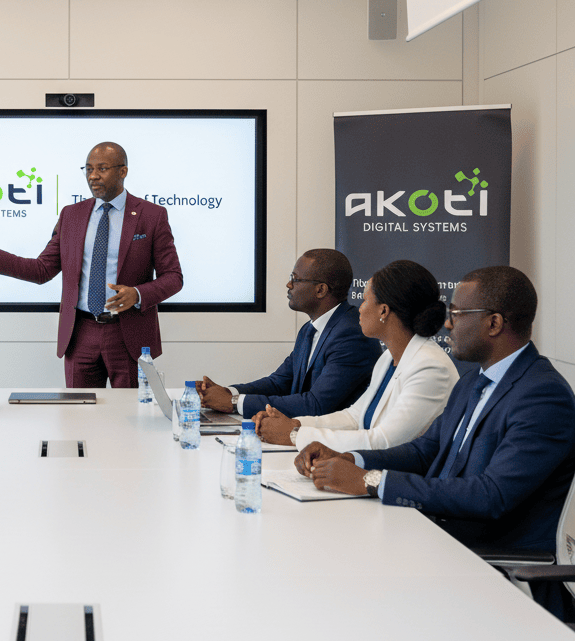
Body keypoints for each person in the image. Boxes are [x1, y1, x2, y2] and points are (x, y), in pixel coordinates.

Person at [298, 267, 575, 617]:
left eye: (457, 314)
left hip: (492, 568)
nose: (446, 324)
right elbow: (425, 451)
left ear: (494, 323)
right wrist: (352, 459)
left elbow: (491, 496)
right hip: (438, 537)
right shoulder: (473, 381)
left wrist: (372, 481)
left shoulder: (542, 396)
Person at [0, 141, 183, 388]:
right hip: (80, 333)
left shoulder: (151, 215)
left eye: (102, 168)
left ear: (123, 171)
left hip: (128, 333)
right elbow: (42, 270)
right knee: (79, 409)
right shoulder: (72, 215)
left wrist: (137, 294)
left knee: (130, 409)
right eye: (88, 169)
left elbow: (173, 276)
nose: (93, 176)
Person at [253, 259, 458, 451]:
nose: (359, 309)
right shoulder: (388, 358)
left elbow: (384, 441)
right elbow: (354, 417)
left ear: (383, 311)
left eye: (365, 300)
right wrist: (294, 423)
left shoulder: (430, 367)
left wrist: (294, 435)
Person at [196, 249, 381, 418]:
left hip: (336, 439)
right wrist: (228, 393)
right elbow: (279, 382)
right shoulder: (309, 330)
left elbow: (316, 405)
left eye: (295, 278)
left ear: (320, 290)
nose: (289, 284)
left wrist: (233, 403)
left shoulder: (352, 335)